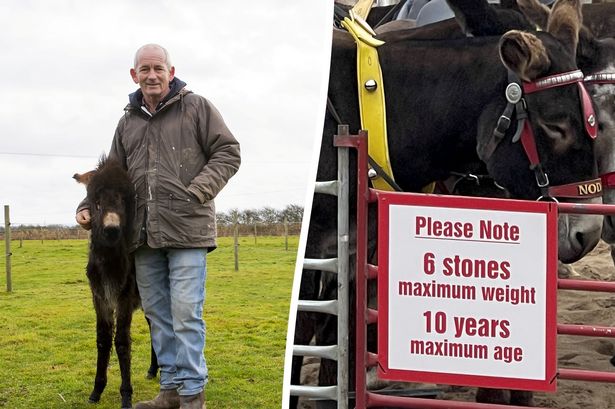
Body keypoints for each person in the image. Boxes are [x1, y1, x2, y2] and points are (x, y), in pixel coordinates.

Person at [76, 43, 241, 409]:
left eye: (158, 68)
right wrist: (87, 206)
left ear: (170, 71)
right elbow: (109, 177)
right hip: (143, 238)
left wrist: (198, 191)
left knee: (185, 315)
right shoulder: (127, 122)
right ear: (134, 75)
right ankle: (168, 391)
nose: (152, 75)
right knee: (158, 316)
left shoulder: (197, 108)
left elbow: (228, 151)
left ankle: (192, 394)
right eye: (145, 69)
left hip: (186, 232)